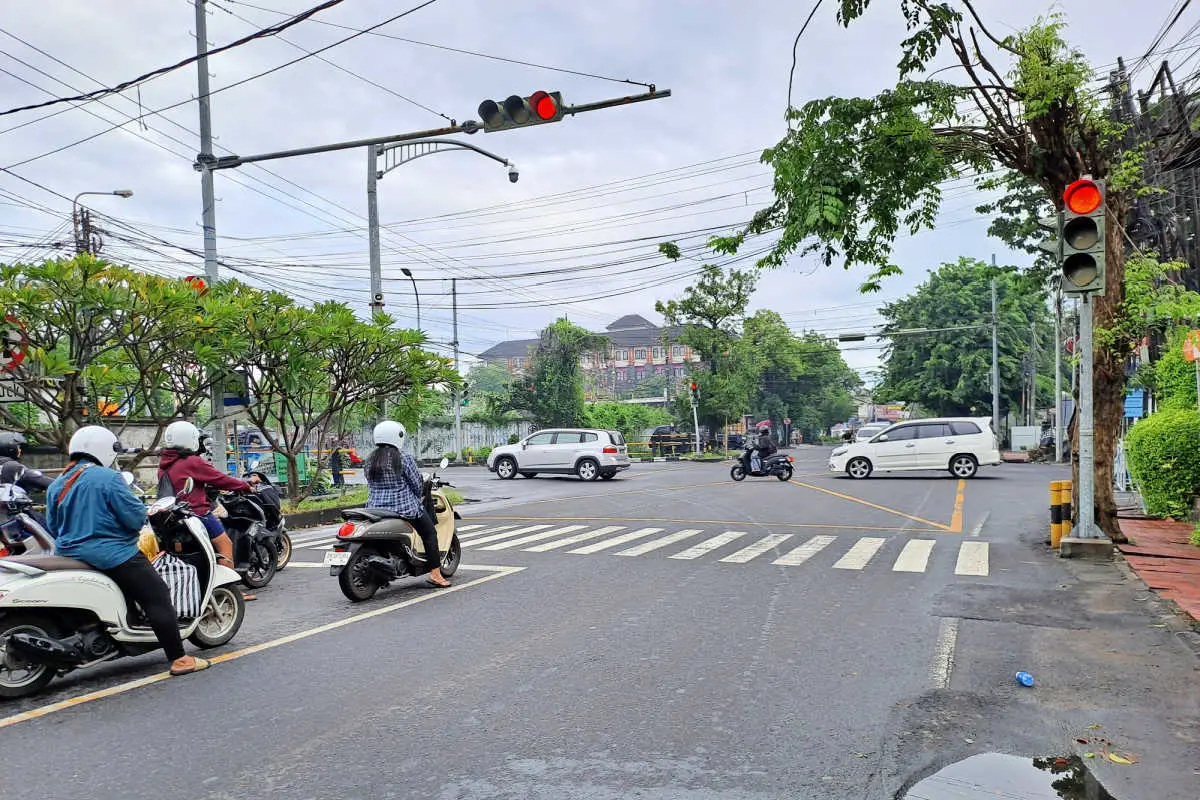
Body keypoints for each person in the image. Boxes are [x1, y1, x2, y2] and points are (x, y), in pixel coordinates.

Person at [46, 425, 209, 677]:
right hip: (111, 554)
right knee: (157, 595)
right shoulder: (108, 478)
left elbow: (54, 526)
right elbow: (134, 518)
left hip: (67, 555)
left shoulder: (58, 483)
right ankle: (180, 659)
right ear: (104, 450)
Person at [158, 420, 257, 601]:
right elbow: (219, 479)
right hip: (197, 513)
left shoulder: (165, 463)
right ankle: (229, 589)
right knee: (225, 544)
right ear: (191, 440)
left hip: (173, 516)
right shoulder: (192, 461)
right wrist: (244, 486)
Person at [365, 420, 450, 588]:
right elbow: (417, 485)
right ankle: (435, 574)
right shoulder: (403, 458)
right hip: (403, 508)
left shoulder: (370, 459)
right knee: (429, 533)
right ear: (398, 437)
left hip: (375, 508)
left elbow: (370, 481)